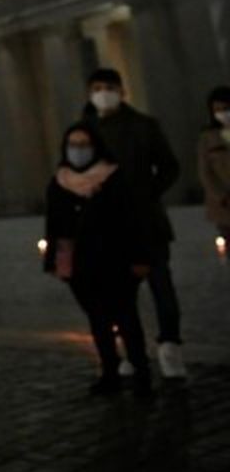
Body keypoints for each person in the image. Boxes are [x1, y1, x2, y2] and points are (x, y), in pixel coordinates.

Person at [83, 68, 184, 379]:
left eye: (109, 87)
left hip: (146, 221)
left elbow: (169, 166)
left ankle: (170, 345)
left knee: (161, 287)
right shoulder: (84, 131)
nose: (104, 93)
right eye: (98, 88)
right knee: (119, 295)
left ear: (122, 91)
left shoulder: (144, 126)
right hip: (108, 227)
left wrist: (146, 193)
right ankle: (133, 350)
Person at [43, 122, 153, 396]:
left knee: (127, 318)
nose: (77, 151)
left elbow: (132, 220)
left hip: (115, 259)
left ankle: (142, 374)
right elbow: (54, 225)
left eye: (83, 145)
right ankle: (110, 372)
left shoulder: (114, 178)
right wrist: (54, 261)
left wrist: (140, 257)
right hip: (80, 263)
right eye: (73, 145)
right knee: (98, 319)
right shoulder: (59, 181)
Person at [199, 86, 230, 246]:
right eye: (217, 110)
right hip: (224, 207)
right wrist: (222, 196)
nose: (222, 113)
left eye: (225, 108)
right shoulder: (208, 137)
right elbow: (205, 172)